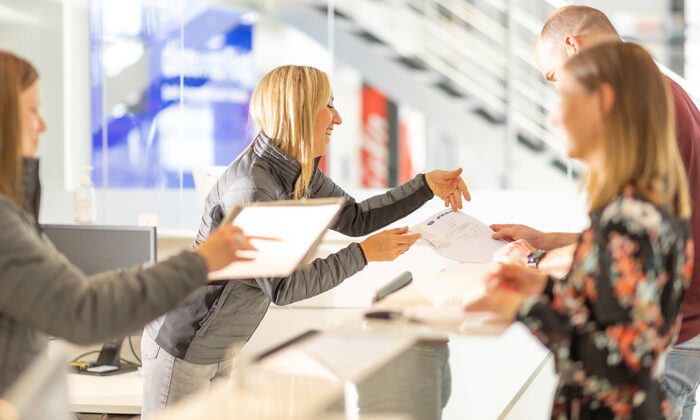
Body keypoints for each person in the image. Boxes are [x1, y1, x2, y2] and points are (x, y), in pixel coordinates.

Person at [141, 64, 472, 414]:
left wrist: (424, 186)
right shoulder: (255, 187)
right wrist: (363, 254)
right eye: (328, 105)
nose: (339, 118)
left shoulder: (300, 171)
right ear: (299, 110)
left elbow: (356, 217)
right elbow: (282, 288)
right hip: (183, 345)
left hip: (221, 344)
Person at [0, 50, 255, 394]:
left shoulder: (14, 213)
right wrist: (201, 262)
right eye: (31, 110)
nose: (42, 125)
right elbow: (84, 309)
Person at [490, 6, 700, 417]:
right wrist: (549, 247)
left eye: (559, 85)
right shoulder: (659, 92)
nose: (553, 112)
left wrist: (533, 272)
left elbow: (611, 350)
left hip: (675, 339)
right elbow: (632, 242)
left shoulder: (649, 102)